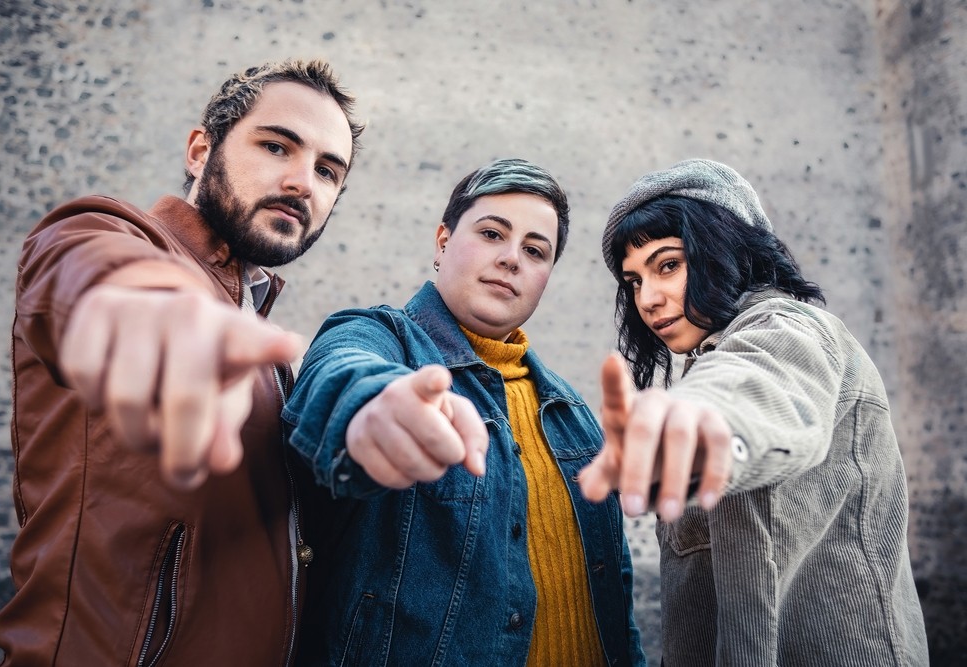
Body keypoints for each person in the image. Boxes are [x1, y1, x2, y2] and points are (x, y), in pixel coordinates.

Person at [0, 59, 363, 666]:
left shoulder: (258, 339)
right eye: (277, 146)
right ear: (199, 150)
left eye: (327, 170)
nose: (302, 181)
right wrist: (148, 318)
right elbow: (89, 275)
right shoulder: (109, 235)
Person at [283, 158, 646, 666]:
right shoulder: (379, 340)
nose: (512, 258)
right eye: (493, 233)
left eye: (535, 250)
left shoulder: (570, 412)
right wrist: (374, 411)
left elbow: (615, 601)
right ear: (442, 241)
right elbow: (341, 372)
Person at [579, 158, 929, 665]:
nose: (648, 299)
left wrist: (700, 422)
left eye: (668, 264)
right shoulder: (708, 359)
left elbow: (759, 383)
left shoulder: (793, 327)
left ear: (726, 249)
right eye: (633, 281)